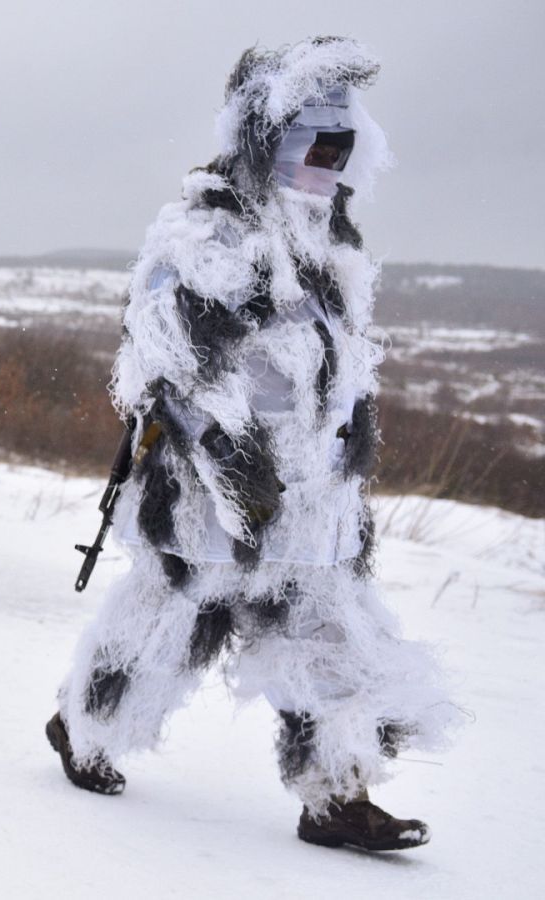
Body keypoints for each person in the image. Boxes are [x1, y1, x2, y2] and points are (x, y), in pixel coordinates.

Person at [45, 37, 458, 852]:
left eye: (342, 147)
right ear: (267, 138)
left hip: (313, 511)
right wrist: (233, 466)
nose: (328, 161)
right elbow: (165, 366)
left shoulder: (328, 243)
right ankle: (83, 729)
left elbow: (338, 373)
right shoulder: (209, 234)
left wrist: (342, 469)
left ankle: (336, 795)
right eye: (315, 142)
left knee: (334, 639)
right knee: (168, 630)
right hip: (210, 507)